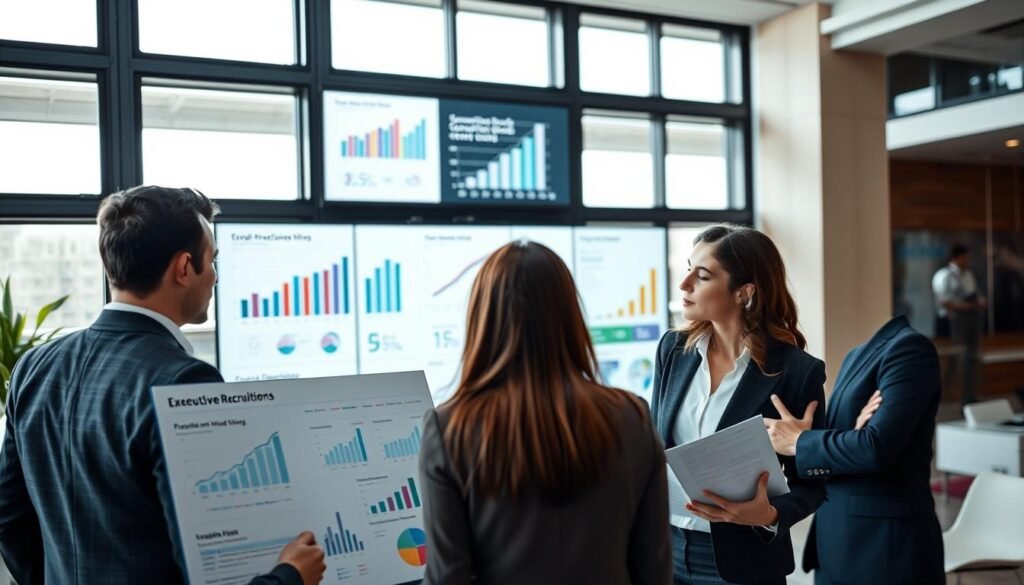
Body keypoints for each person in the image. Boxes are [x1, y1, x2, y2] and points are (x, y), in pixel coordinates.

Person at [0, 186, 325, 585]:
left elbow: (9, 518)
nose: (217, 277)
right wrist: (291, 576)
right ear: (185, 267)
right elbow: (211, 561)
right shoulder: (185, 381)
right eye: (213, 261)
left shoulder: (34, 366)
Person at [419, 240, 672, 585]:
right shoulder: (633, 416)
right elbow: (654, 571)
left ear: (484, 317)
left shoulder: (450, 428)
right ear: (570, 316)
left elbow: (448, 577)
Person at [651, 225, 826, 585]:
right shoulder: (672, 350)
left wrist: (770, 513)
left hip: (741, 561)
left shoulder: (796, 371)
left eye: (701, 276)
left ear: (744, 292)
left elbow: (815, 483)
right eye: (688, 269)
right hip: (664, 549)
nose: (684, 285)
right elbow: (657, 444)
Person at [764, 316, 944, 585]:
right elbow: (851, 446)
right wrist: (849, 437)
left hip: (883, 550)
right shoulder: (856, 355)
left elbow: (874, 448)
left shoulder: (909, 348)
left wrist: (799, 442)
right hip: (836, 543)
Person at [931, 243, 985, 406]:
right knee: (955, 359)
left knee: (970, 358)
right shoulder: (944, 275)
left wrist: (978, 303)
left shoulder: (969, 274)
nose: (967, 260)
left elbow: (975, 294)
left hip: (970, 320)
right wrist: (965, 306)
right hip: (952, 323)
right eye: (964, 257)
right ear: (956, 257)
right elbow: (945, 301)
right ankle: (943, 395)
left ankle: (968, 396)